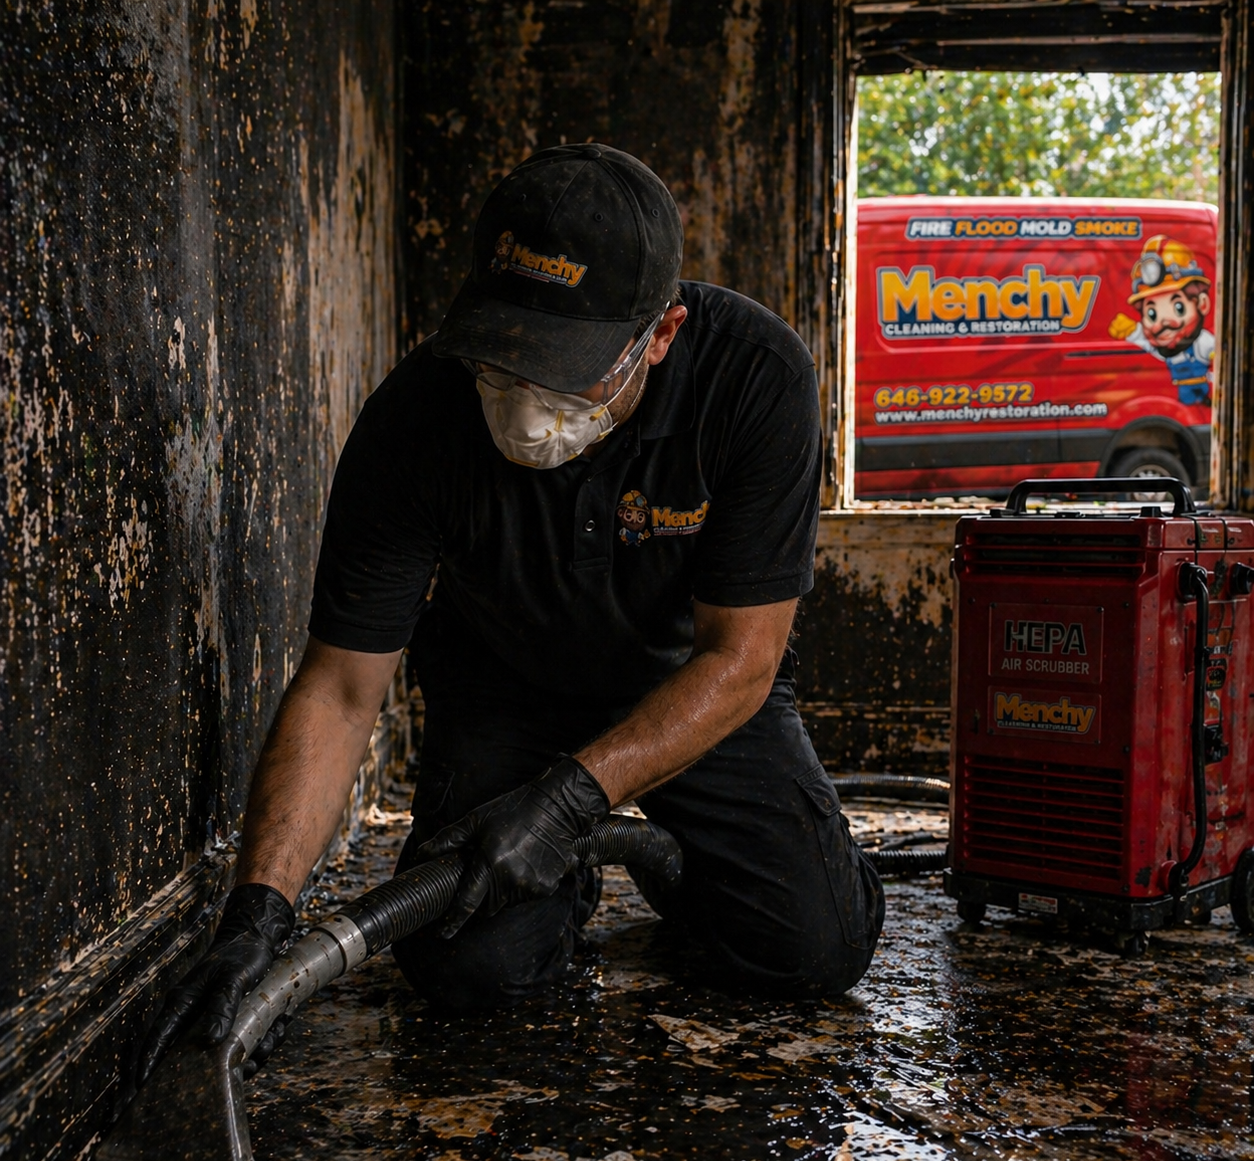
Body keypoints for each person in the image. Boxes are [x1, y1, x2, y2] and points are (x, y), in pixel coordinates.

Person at [138, 144, 884, 1082]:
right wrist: (258, 916)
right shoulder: (414, 421)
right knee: (466, 967)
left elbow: (742, 659)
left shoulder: (755, 379)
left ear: (660, 335)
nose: (527, 410)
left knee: (813, 949)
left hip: (689, 687)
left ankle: (663, 857)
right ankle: (569, 879)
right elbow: (340, 688)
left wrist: (571, 800)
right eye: (505, 359)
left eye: (565, 371)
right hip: (506, 689)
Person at [1108, 235, 1215, 406]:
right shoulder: (1166, 349)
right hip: (1183, 399)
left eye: (1178, 307)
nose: (1164, 322)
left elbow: (1219, 353)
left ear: (1202, 304)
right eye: (1152, 314)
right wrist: (1133, 332)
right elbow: (1150, 346)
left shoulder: (1202, 343)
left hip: (1204, 399)